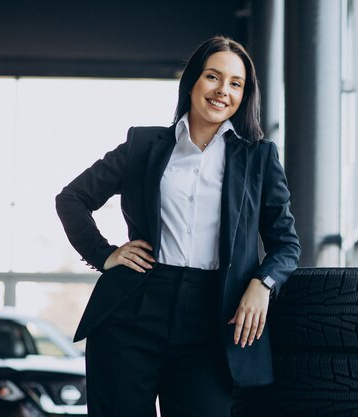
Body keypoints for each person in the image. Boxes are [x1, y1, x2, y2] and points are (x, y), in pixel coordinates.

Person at [55, 35, 300, 417]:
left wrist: (262, 283)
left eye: (235, 84)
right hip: (134, 311)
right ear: (193, 82)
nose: (222, 91)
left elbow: (286, 244)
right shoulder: (143, 145)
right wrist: (103, 254)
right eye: (213, 77)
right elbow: (71, 199)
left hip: (212, 319)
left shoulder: (259, 159)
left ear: (244, 94)